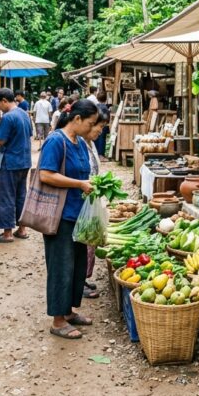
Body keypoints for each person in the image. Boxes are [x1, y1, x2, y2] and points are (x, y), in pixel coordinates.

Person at [38, 100, 99, 339]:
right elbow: (45, 174)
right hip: (60, 215)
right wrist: (79, 184)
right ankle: (57, 320)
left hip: (78, 213)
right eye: (91, 123)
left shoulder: (81, 143)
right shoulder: (56, 140)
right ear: (77, 119)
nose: (93, 128)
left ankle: (69, 312)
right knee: (61, 266)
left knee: (76, 265)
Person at [0, 88, 34, 242]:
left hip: (10, 162)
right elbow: (29, 135)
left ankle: (7, 233)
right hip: (24, 161)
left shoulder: (8, 117)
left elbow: (1, 140)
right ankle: (22, 229)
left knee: (5, 196)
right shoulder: (24, 114)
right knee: (21, 195)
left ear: (4, 100)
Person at [81, 103, 111, 299]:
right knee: (84, 242)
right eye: (99, 126)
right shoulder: (79, 143)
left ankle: (83, 278)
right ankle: (79, 282)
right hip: (83, 199)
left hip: (91, 199)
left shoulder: (90, 143)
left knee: (90, 241)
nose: (101, 131)